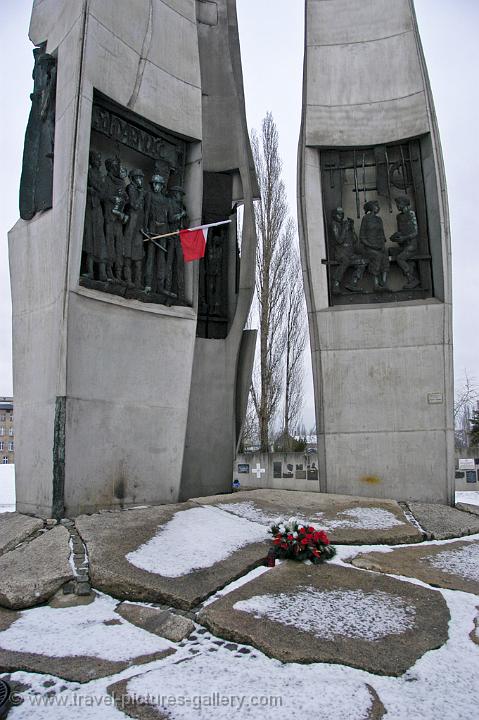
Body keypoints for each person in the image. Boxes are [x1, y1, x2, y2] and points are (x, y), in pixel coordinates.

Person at [329, 207, 367, 294]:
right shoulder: (334, 224)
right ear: (334, 215)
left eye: (342, 214)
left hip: (350, 253)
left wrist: (352, 228)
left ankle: (353, 283)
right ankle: (336, 284)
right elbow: (339, 240)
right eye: (339, 214)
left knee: (363, 261)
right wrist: (345, 229)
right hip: (341, 254)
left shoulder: (344, 225)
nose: (341, 216)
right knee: (345, 261)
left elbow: (354, 240)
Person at [143, 175, 170, 294]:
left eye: (157, 184)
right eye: (154, 184)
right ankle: (148, 284)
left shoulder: (165, 199)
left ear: (162, 186)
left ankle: (160, 286)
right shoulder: (150, 195)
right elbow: (146, 211)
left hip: (163, 230)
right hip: (152, 228)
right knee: (150, 256)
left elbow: (166, 216)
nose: (155, 186)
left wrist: (168, 231)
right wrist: (145, 227)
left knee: (161, 258)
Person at [82, 151, 107, 281]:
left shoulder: (100, 175)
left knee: (100, 240)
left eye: (99, 158)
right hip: (90, 209)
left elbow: (103, 193)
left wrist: (95, 189)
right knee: (89, 239)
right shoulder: (88, 173)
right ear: (92, 160)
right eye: (97, 158)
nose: (99, 161)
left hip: (98, 210)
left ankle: (102, 273)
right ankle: (90, 271)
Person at [103, 156, 128, 283]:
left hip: (119, 218)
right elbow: (104, 195)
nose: (116, 168)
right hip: (110, 217)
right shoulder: (107, 180)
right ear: (109, 167)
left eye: (117, 166)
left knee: (119, 246)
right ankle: (109, 271)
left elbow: (127, 197)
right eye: (114, 166)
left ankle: (118, 273)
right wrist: (114, 199)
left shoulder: (121, 182)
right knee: (110, 245)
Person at [390, 196, 420, 289]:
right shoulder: (398, 216)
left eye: (399, 204)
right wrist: (395, 237)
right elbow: (400, 231)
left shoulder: (411, 214)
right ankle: (410, 268)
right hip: (404, 244)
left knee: (400, 258)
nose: (397, 206)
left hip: (412, 245)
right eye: (397, 204)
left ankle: (412, 279)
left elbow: (415, 232)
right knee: (390, 251)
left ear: (405, 204)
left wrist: (405, 238)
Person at [123, 169, 146, 288]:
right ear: (133, 178)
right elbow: (134, 205)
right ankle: (128, 280)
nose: (140, 180)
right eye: (138, 178)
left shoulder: (138, 189)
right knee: (128, 252)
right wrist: (142, 195)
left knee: (138, 255)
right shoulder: (131, 188)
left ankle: (137, 281)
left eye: (141, 178)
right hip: (131, 225)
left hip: (138, 226)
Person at [359, 200, 389, 290]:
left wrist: (382, 245)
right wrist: (371, 245)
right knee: (377, 256)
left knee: (385, 256)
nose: (378, 207)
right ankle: (376, 284)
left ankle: (383, 283)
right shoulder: (365, 219)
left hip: (380, 246)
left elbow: (382, 235)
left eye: (378, 205)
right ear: (371, 207)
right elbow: (362, 237)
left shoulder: (379, 219)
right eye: (376, 205)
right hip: (369, 248)